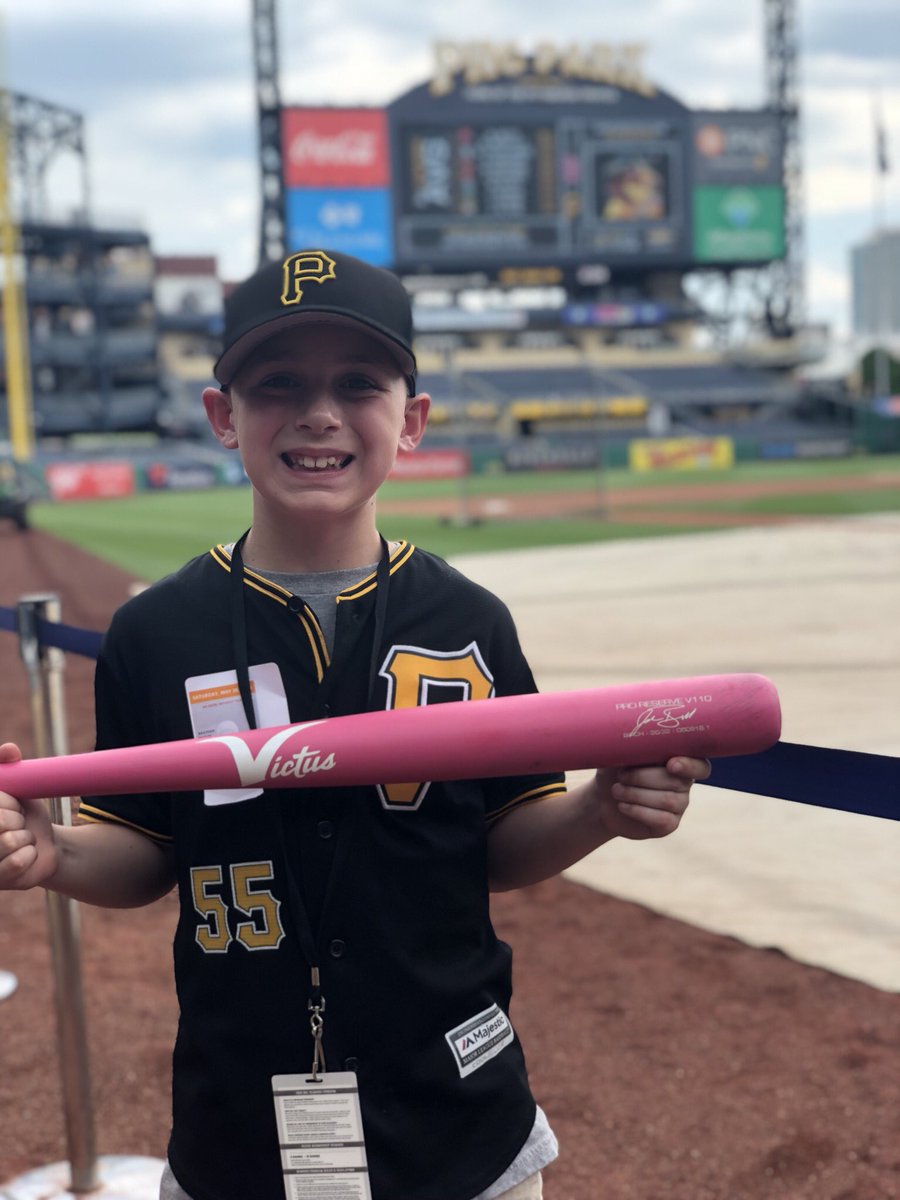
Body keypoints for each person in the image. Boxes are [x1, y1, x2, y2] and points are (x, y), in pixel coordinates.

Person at [0, 248, 709, 1200]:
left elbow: (504, 839)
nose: (318, 411)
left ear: (410, 421)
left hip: (458, 1110)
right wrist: (55, 859)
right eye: (278, 383)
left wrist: (600, 811)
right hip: (237, 1116)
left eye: (358, 384)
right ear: (224, 416)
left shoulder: (468, 620)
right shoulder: (154, 632)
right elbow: (143, 848)